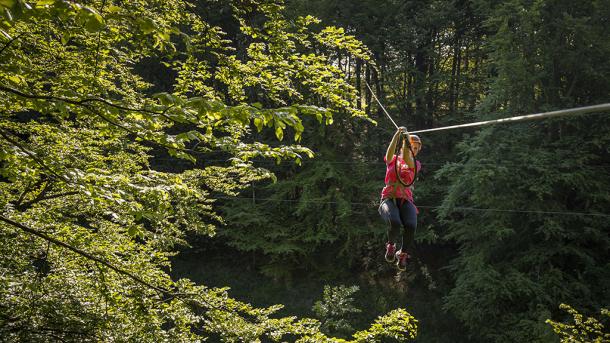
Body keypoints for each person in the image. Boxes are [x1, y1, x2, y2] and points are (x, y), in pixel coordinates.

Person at [378, 127, 422, 271]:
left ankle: (402, 254)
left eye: (416, 148)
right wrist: (398, 135)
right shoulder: (393, 160)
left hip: (405, 200)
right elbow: (389, 153)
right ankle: (391, 245)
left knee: (411, 225)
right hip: (388, 199)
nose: (413, 150)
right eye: (411, 147)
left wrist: (406, 140)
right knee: (395, 222)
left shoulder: (415, 164)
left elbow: (408, 160)